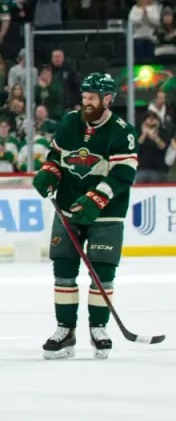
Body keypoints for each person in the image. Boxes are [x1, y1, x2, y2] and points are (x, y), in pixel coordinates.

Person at [31, 73, 138, 359]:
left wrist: (97, 197)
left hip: (107, 213)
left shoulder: (122, 131)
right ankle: (65, 330)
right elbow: (56, 157)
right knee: (64, 269)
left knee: (102, 272)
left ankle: (99, 327)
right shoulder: (68, 123)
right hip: (68, 208)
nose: (86, 102)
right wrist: (49, 172)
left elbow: (124, 174)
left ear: (107, 99)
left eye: (92, 98)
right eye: (84, 97)